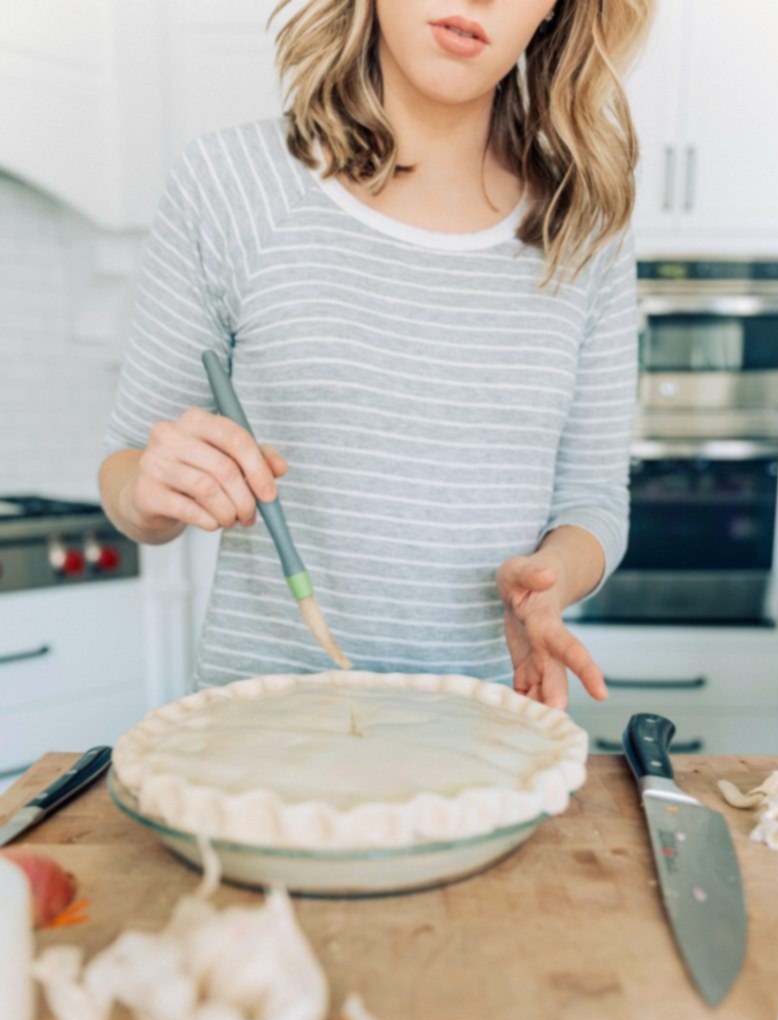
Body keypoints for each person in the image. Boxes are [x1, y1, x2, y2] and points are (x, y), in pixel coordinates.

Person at [99, 0, 652, 709]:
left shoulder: (587, 229)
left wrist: (551, 578)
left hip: (487, 744)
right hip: (258, 744)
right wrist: (152, 492)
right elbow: (125, 464)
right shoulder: (228, 184)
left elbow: (594, 502)